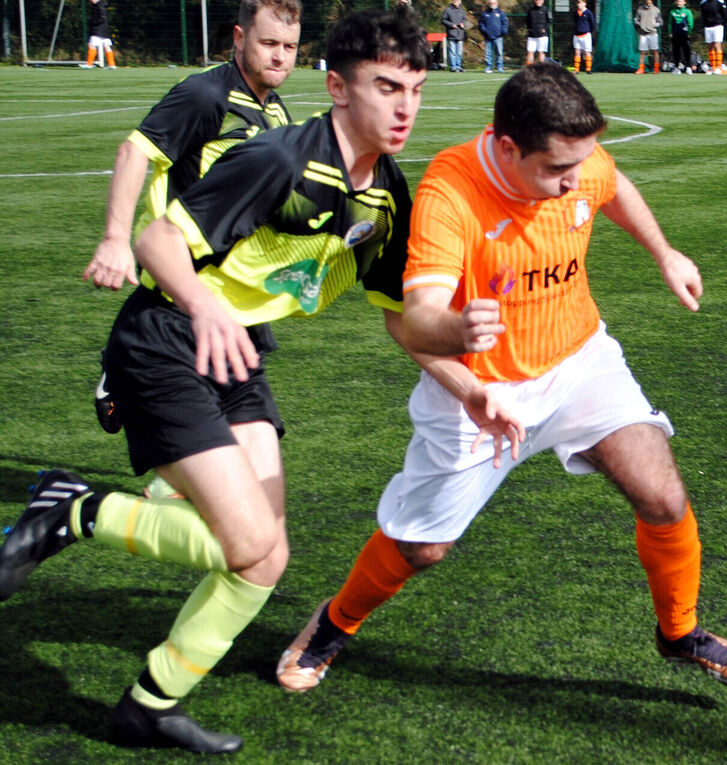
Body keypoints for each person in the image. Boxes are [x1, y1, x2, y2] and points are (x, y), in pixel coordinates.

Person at [0, 8, 444, 754]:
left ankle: (150, 702)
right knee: (242, 538)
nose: (404, 107)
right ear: (337, 87)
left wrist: (471, 372)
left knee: (265, 556)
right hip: (170, 332)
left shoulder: (385, 193)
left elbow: (402, 317)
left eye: (416, 90)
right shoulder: (268, 148)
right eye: (386, 86)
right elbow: (153, 234)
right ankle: (71, 508)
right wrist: (195, 297)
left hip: (233, 348)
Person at [276, 62, 727, 696]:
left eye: (579, 165)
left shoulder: (578, 161)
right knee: (422, 549)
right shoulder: (450, 194)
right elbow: (414, 319)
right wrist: (464, 350)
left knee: (663, 496)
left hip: (578, 363)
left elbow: (611, 185)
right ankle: (335, 621)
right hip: (480, 394)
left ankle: (680, 633)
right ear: (508, 148)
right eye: (557, 171)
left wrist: (664, 252)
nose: (574, 183)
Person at [81, 0, 302, 439]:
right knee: (218, 441)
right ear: (240, 39)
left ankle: (124, 369)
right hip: (184, 284)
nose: (279, 56)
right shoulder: (207, 96)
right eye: (269, 43)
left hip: (236, 288)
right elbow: (135, 150)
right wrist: (114, 239)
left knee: (232, 437)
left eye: (290, 46)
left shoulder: (276, 111)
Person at [84, 0, 116, 68]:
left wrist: (95, 23)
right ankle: (112, 64)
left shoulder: (99, 6)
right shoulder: (100, 5)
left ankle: (89, 64)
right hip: (104, 30)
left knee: (91, 45)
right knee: (107, 46)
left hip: (98, 30)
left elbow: (102, 18)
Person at [635, 0, 663, 73]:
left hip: (653, 33)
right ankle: (641, 68)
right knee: (642, 52)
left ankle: (656, 68)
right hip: (643, 34)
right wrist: (640, 24)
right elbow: (636, 20)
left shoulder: (656, 10)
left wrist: (655, 25)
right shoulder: (640, 9)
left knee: (655, 51)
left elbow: (660, 21)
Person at [480, 0, 509, 72]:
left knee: (499, 53)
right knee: (488, 53)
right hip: (488, 37)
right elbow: (481, 24)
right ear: (489, 4)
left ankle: (499, 67)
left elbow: (505, 23)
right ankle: (488, 67)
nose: (492, 4)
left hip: (498, 37)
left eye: (494, 3)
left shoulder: (501, 13)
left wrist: (503, 32)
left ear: (497, 4)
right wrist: (484, 31)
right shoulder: (485, 13)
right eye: (491, 3)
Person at [698, 0, 726, 72]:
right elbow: (703, 14)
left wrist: (721, 22)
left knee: (717, 45)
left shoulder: (720, 2)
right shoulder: (703, 3)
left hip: (718, 25)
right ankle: (713, 67)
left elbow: (724, 13)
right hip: (708, 26)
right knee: (710, 46)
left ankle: (718, 67)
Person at [442, 0, 468, 71]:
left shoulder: (462, 11)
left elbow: (465, 20)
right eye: (455, 0)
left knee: (459, 52)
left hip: (460, 33)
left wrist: (463, 23)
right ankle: (453, 67)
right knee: (452, 51)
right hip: (451, 33)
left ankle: (458, 66)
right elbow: (443, 20)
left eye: (457, 0)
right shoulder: (448, 10)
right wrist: (451, 25)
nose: (456, 1)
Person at [668, 0, 694, 72]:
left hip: (684, 34)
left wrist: (689, 33)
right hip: (675, 34)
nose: (679, 3)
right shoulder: (672, 11)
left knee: (686, 50)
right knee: (676, 51)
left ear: (684, 2)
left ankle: (688, 67)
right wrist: (670, 32)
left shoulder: (687, 11)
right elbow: (670, 23)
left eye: (680, 1)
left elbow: (690, 23)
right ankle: (676, 67)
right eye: (678, 1)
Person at [573, 0, 597, 73]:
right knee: (577, 52)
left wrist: (589, 32)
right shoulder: (575, 13)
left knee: (587, 52)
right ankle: (576, 69)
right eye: (578, 3)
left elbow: (592, 24)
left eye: (580, 3)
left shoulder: (588, 13)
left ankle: (588, 69)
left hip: (586, 35)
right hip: (577, 35)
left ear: (584, 3)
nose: (579, 4)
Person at [526, 0, 552, 64]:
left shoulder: (546, 10)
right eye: (537, 0)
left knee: (541, 52)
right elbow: (527, 21)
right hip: (532, 35)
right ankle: (529, 69)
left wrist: (544, 29)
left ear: (543, 1)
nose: (538, 1)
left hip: (542, 36)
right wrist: (529, 29)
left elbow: (550, 21)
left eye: (540, 0)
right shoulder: (530, 10)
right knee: (530, 52)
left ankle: (541, 69)